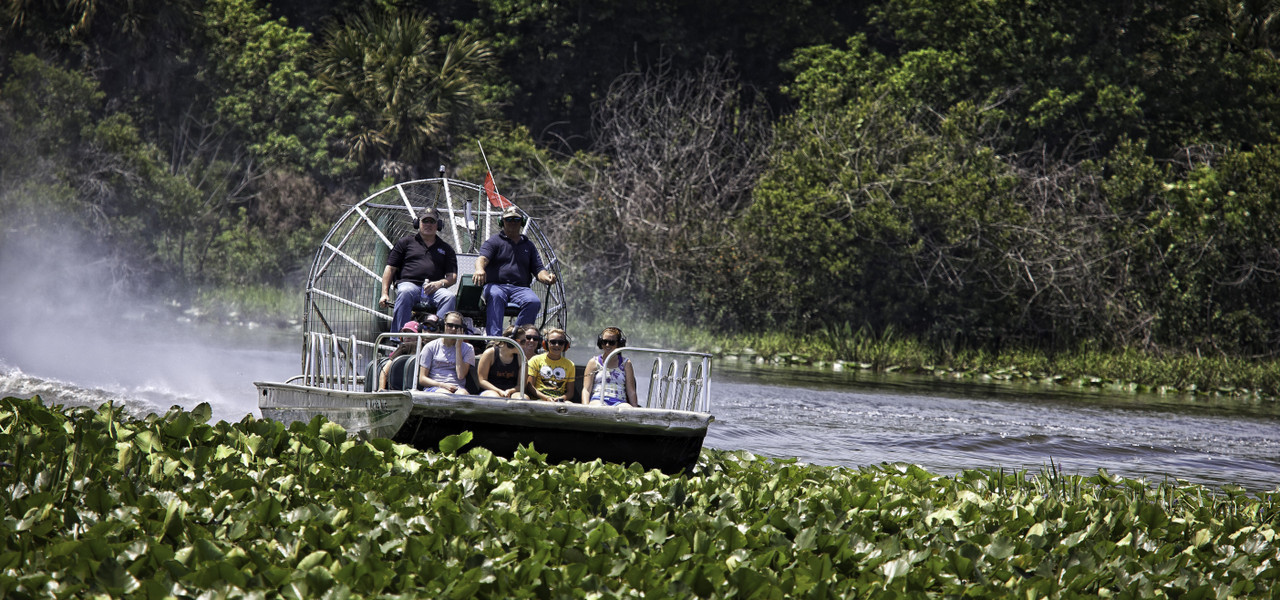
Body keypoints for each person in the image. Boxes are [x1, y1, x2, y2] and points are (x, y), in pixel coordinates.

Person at [473, 206, 558, 336]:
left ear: (521, 223)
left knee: (533, 302)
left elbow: (539, 269)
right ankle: (494, 340)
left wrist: (547, 278)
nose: (512, 222)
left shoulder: (528, 245)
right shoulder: (494, 242)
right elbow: (482, 258)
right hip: (497, 285)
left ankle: (517, 337)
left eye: (516, 220)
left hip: (520, 289)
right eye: (509, 220)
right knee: (496, 296)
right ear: (502, 222)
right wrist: (480, 269)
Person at [379, 207, 458, 334]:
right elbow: (390, 268)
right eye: (425, 221)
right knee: (405, 291)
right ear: (417, 223)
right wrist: (384, 293)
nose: (428, 224)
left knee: (448, 297)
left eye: (432, 222)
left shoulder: (446, 249)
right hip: (410, 285)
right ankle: (399, 338)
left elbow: (452, 277)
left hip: (434, 289)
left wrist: (439, 283)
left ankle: (438, 336)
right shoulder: (405, 243)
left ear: (438, 225)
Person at [417, 311, 475, 394]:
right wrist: (443, 385)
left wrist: (458, 347)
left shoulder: (468, 348)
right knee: (445, 394)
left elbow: (461, 375)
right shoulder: (430, 347)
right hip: (435, 387)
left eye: (457, 327)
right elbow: (422, 379)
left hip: (457, 388)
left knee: (463, 394)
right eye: (450, 325)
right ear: (443, 325)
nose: (453, 329)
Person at [580, 326, 638, 407]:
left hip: (620, 402)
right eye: (604, 341)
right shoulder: (593, 362)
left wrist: (635, 410)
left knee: (627, 410)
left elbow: (631, 391)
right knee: (599, 408)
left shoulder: (626, 363)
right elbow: (586, 390)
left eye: (611, 342)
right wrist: (585, 408)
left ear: (619, 343)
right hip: (598, 400)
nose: (607, 345)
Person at [377, 317, 438, 391]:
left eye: (432, 329)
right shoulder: (406, 347)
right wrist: (381, 389)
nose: (428, 332)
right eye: (425, 327)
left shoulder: (443, 350)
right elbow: (385, 370)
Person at [477, 326, 529, 399]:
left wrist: (510, 391)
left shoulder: (522, 358)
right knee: (495, 398)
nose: (525, 345)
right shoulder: (490, 354)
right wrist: (499, 391)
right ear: (512, 341)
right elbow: (482, 380)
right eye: (523, 342)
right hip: (490, 390)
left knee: (523, 398)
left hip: (511, 393)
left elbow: (521, 385)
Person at [527, 328, 575, 402]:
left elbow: (570, 392)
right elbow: (530, 386)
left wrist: (561, 398)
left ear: (566, 345)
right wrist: (546, 398)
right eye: (553, 342)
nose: (557, 345)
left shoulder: (570, 364)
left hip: (560, 401)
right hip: (539, 399)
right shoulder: (535, 360)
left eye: (560, 342)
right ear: (546, 343)